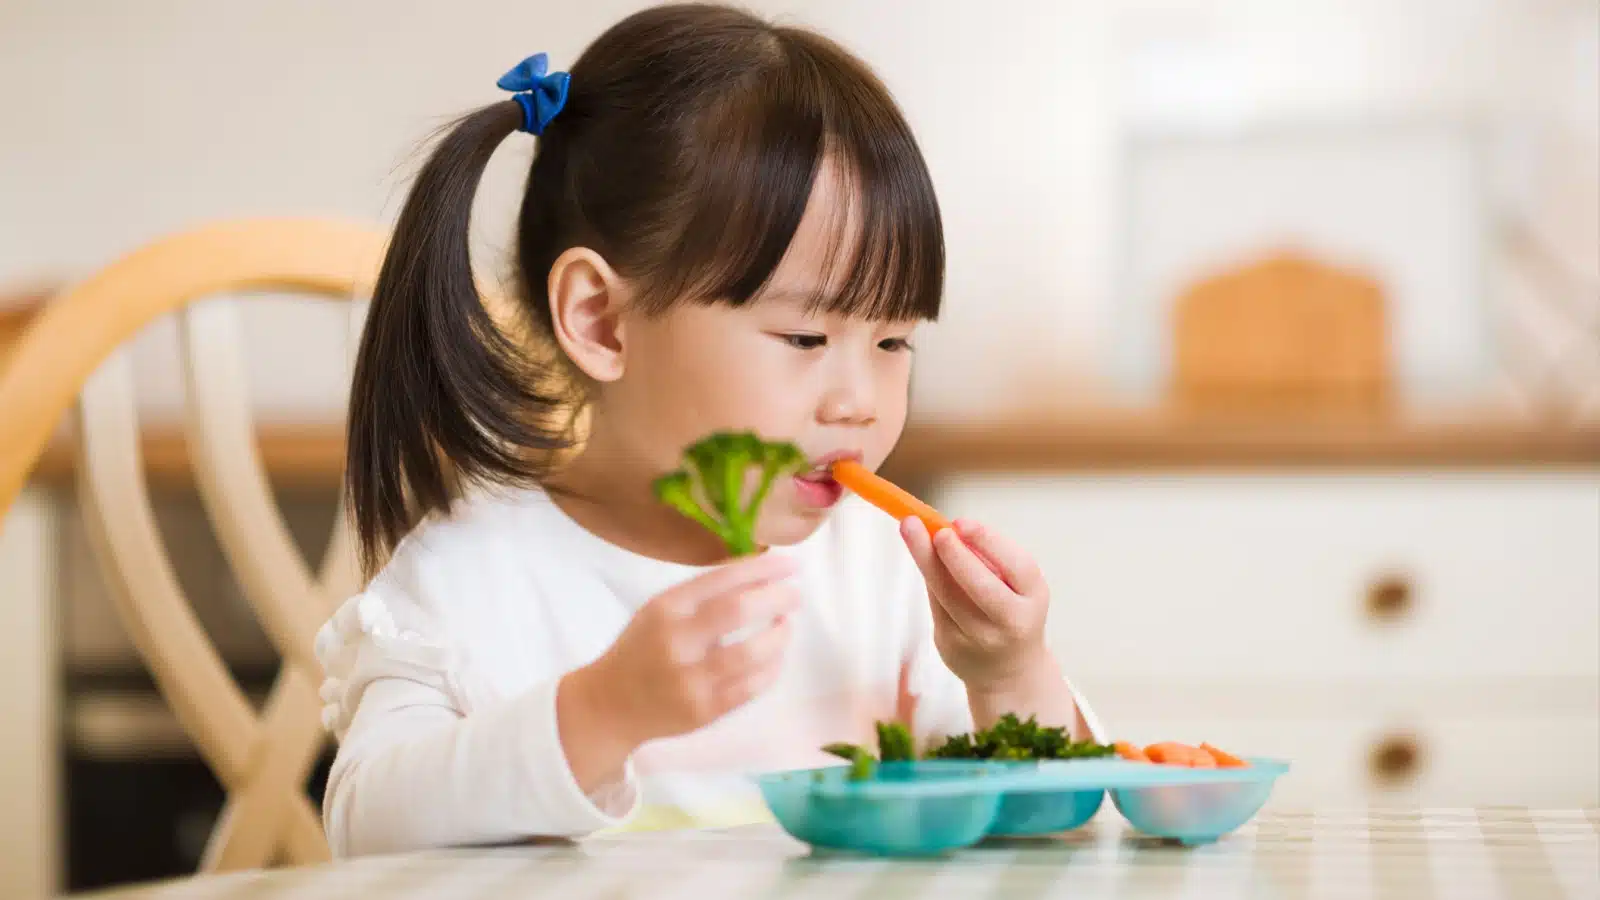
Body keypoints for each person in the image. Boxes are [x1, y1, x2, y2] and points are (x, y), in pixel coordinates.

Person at [315, 2, 1104, 858]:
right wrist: (603, 712)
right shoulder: (472, 581)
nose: (860, 402)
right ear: (603, 322)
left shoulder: (880, 577)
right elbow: (364, 829)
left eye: (893, 341)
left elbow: (1057, 825)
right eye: (805, 338)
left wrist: (1006, 675)